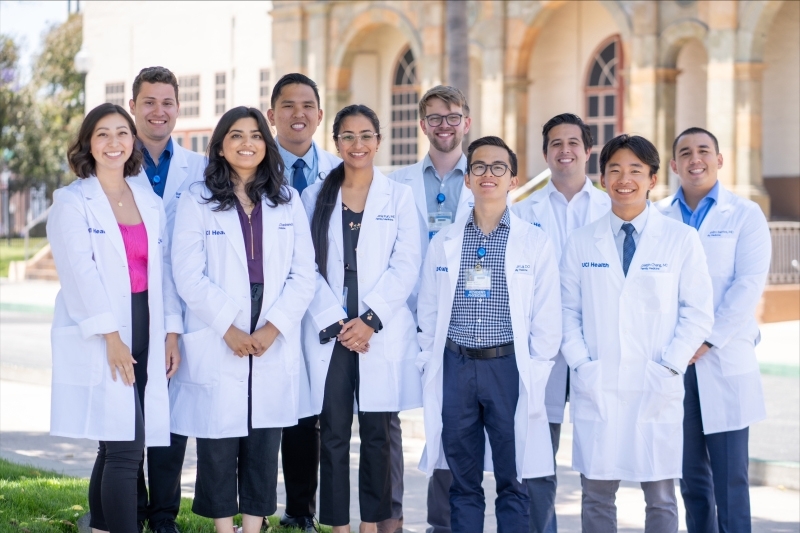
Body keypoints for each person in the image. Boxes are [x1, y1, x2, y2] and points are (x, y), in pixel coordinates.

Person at [168, 107, 316, 533]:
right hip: (220, 322)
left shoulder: (286, 200)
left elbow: (304, 274)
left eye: (255, 135)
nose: (246, 143)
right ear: (219, 145)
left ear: (266, 145)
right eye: (236, 135)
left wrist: (274, 327)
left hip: (271, 319)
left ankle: (252, 525)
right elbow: (187, 273)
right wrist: (228, 328)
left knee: (263, 437)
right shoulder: (197, 198)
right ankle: (221, 526)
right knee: (217, 437)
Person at [560, 134, 715, 533]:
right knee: (595, 495)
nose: (623, 179)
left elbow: (697, 314)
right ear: (602, 177)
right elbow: (565, 312)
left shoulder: (681, 240)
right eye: (614, 170)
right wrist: (582, 364)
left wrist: (668, 365)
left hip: (655, 383)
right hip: (600, 381)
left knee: (661, 497)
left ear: (652, 179)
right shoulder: (581, 242)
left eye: (635, 171)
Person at [416, 136, 562, 532]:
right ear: (467, 178)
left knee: (514, 481)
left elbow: (548, 319)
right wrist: (428, 359)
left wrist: (535, 368)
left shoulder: (534, 242)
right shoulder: (445, 242)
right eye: (479, 166)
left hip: (508, 370)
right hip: (456, 367)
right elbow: (428, 312)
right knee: (463, 483)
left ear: (513, 180)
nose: (488, 174)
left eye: (499, 167)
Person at [48, 103, 182, 532]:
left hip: (147, 323)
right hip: (107, 332)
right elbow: (79, 273)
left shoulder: (145, 197)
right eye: (102, 134)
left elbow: (163, 269)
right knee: (126, 446)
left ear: (133, 140)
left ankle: (102, 525)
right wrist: (111, 336)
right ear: (88, 142)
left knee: (115, 441)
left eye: (122, 133)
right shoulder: (72, 201)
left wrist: (171, 332)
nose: (113, 142)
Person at [300, 104, 422, 533]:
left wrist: (369, 319)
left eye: (366, 135)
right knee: (332, 432)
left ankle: (373, 523)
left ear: (378, 141)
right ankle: (338, 525)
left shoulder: (399, 197)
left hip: (376, 333)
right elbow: (305, 266)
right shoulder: (314, 196)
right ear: (336, 142)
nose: (358, 144)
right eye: (348, 136)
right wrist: (338, 321)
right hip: (334, 333)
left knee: (378, 434)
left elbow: (406, 265)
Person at [656, 127, 771, 533]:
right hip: (676, 364)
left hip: (722, 356)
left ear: (719, 160)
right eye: (685, 152)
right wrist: (681, 345)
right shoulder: (658, 217)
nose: (695, 159)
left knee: (732, 481)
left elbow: (747, 285)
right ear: (673, 165)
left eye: (704, 151)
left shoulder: (744, 214)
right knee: (691, 480)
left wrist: (704, 339)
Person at [511, 113, 610, 533]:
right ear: (545, 152)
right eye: (556, 143)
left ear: (587, 150)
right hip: (542, 347)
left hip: (597, 344)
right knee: (537, 456)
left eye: (573, 142)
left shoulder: (612, 207)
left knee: (599, 459)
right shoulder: (522, 212)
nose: (565, 150)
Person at [387, 85, 473, 533]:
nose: (444, 124)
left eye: (452, 116)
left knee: (452, 424)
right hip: (403, 317)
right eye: (435, 117)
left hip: (461, 321)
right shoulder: (397, 183)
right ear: (422, 125)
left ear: (466, 123)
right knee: (388, 423)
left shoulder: (484, 178)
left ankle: (444, 523)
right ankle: (391, 518)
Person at [127, 65, 206, 533]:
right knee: (129, 409)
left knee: (173, 416)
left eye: (167, 102)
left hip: (182, 305)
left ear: (178, 108)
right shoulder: (114, 158)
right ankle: (130, 506)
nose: (159, 111)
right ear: (134, 105)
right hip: (131, 301)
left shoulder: (197, 167)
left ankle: (163, 515)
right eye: (149, 102)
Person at [266, 72, 341, 531]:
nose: (298, 114)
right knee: (258, 412)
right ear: (272, 114)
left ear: (318, 114)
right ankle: (251, 505)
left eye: (307, 105)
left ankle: (300, 511)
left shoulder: (340, 169)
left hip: (321, 309)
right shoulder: (251, 162)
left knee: (309, 415)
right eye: (288, 106)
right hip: (264, 307)